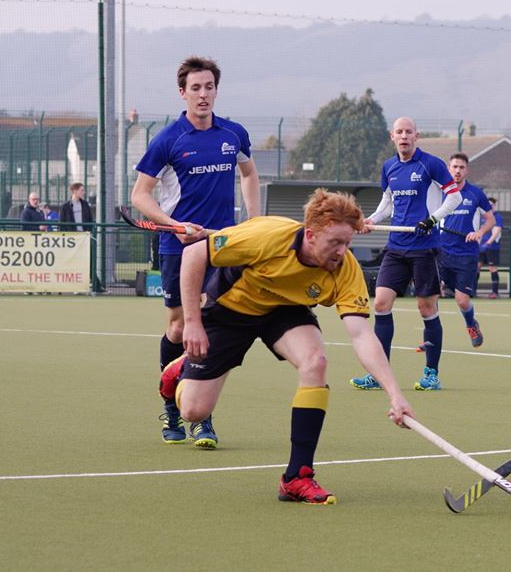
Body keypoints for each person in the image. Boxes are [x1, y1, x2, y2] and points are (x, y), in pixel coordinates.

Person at [158, 189, 413, 504]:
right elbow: (194, 254)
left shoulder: (345, 268)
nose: (342, 252)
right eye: (335, 242)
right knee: (194, 410)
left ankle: (297, 477)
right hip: (230, 309)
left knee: (315, 362)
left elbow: (360, 334)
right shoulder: (266, 236)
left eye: (348, 243)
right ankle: (180, 370)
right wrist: (193, 323)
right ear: (309, 235)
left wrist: (394, 393)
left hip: (286, 310)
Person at [130, 56, 260, 447]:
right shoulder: (168, 140)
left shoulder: (233, 134)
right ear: (182, 92)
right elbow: (140, 195)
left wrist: (253, 222)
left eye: (209, 87)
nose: (203, 95)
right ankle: (172, 405)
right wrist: (175, 226)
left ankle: (202, 416)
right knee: (180, 328)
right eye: (196, 88)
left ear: (216, 90)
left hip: (222, 247)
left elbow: (249, 174)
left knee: (210, 327)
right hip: (178, 247)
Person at [350, 117, 461, 391]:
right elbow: (388, 201)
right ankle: (379, 374)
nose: (404, 136)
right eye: (399, 132)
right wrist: (372, 219)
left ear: (416, 136)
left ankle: (431, 374)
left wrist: (432, 220)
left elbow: (454, 196)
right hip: (395, 247)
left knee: (426, 308)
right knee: (380, 305)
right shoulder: (389, 167)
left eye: (408, 132)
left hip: (424, 249)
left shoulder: (430, 164)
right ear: (392, 137)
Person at [438, 153, 495, 347]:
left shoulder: (475, 193)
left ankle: (471, 324)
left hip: (466, 255)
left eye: (461, 167)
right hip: (442, 252)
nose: (457, 171)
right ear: (448, 168)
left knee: (462, 300)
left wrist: (479, 232)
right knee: (430, 295)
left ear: (466, 170)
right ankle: (432, 336)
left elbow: (491, 220)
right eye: (454, 167)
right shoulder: (439, 192)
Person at [476, 196, 504, 299]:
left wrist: (487, 243)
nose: (490, 207)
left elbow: (496, 232)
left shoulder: (497, 217)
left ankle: (495, 292)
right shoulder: (483, 217)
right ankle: (473, 291)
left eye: (491, 205)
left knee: (492, 268)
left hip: (492, 247)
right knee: (476, 267)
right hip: (480, 247)